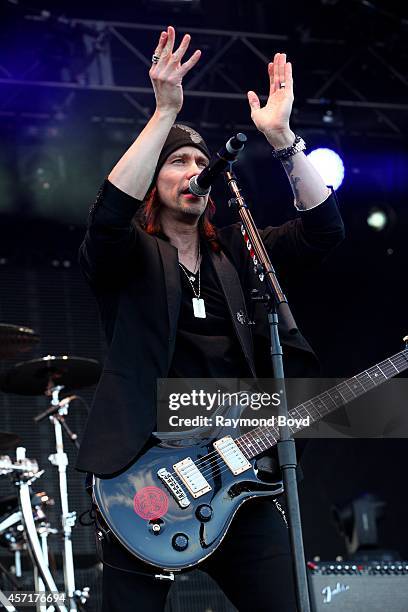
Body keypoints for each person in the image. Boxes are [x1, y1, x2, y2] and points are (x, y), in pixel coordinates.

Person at [76, 25, 344, 612]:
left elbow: (325, 230)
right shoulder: (132, 257)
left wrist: (282, 138)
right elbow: (107, 219)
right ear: (154, 178)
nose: (193, 170)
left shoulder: (240, 253)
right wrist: (164, 113)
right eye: (178, 161)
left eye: (200, 160)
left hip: (232, 478)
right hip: (143, 476)